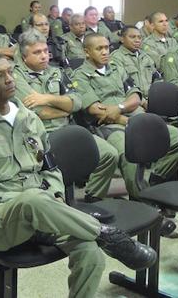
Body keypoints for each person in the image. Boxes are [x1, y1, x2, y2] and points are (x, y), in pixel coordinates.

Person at [0, 52, 157, 298]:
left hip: (46, 212)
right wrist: (31, 199)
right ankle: (109, 235)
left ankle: (95, 237)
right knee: (32, 200)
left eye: (10, 72)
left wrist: (54, 195)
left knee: (90, 253)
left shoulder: (29, 119)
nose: (9, 79)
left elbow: (50, 167)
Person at [72, 33, 178, 198]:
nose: (105, 52)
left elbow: (135, 97)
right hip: (110, 126)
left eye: (107, 47)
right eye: (99, 49)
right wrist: (125, 119)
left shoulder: (117, 68)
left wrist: (119, 107)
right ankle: (141, 198)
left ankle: (157, 180)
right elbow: (95, 109)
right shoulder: (80, 76)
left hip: (135, 119)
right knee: (129, 153)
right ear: (87, 52)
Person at [13, 29, 118, 200]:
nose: (44, 56)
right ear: (24, 56)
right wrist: (64, 107)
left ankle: (93, 199)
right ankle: (60, 206)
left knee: (108, 154)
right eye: (37, 52)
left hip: (67, 128)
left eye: (46, 51)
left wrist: (46, 97)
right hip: (39, 135)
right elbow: (37, 112)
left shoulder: (57, 72)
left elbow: (77, 102)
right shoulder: (16, 77)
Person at [110, 26, 158, 107]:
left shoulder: (145, 56)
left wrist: (157, 97)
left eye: (139, 37)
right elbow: (123, 85)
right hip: (131, 102)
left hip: (151, 100)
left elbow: (157, 78)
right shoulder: (116, 58)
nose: (137, 40)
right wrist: (143, 102)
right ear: (122, 39)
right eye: (132, 37)